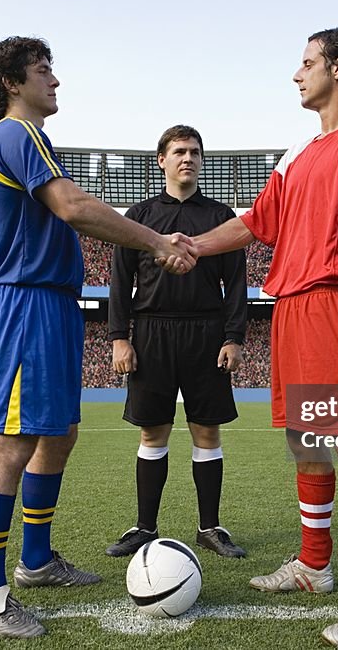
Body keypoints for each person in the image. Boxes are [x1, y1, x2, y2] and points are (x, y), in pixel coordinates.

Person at [188, 28, 338, 648]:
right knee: (304, 440)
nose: (297, 73)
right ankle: (314, 565)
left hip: (333, 305)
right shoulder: (296, 155)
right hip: (288, 304)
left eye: (308, 62)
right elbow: (254, 225)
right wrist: (186, 246)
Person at [0, 36, 196, 640]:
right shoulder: (15, 135)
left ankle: (36, 562)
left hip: (56, 307)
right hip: (26, 305)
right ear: (13, 83)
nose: (56, 82)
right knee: (11, 441)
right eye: (45, 72)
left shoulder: (34, 140)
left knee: (59, 434)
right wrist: (154, 241)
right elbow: (72, 206)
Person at [105, 125, 248, 560]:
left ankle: (211, 528)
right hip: (150, 334)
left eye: (195, 152)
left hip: (206, 334)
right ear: (161, 160)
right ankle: (144, 527)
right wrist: (118, 339)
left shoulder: (221, 216)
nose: (188, 158)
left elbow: (236, 283)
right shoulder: (139, 216)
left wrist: (234, 337)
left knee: (207, 430)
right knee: (153, 432)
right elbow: (119, 281)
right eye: (179, 151)